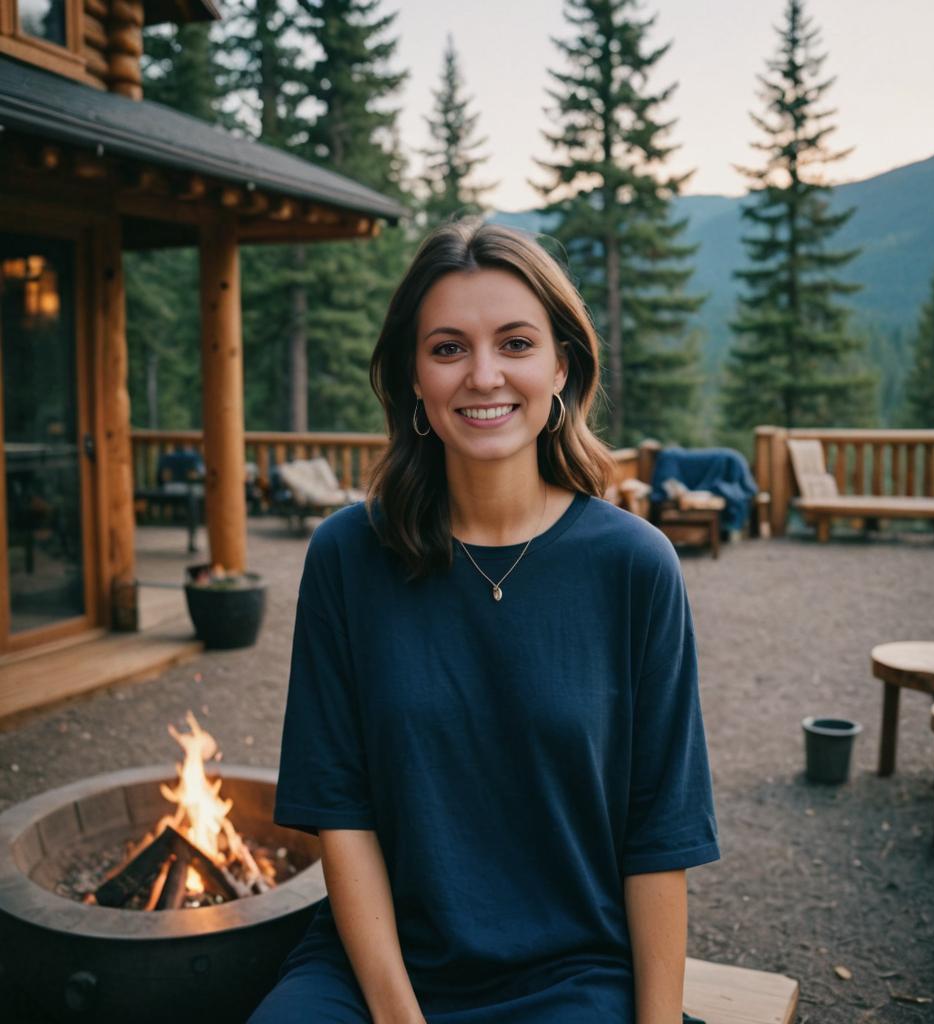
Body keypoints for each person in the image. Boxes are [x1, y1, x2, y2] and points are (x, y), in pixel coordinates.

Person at [250, 220, 719, 1024]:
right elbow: (341, 809)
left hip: (571, 972)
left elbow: (659, 835)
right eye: (447, 348)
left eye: (515, 343)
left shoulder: (635, 567)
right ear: (414, 379)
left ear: (561, 367)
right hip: (375, 969)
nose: (483, 375)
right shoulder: (346, 558)